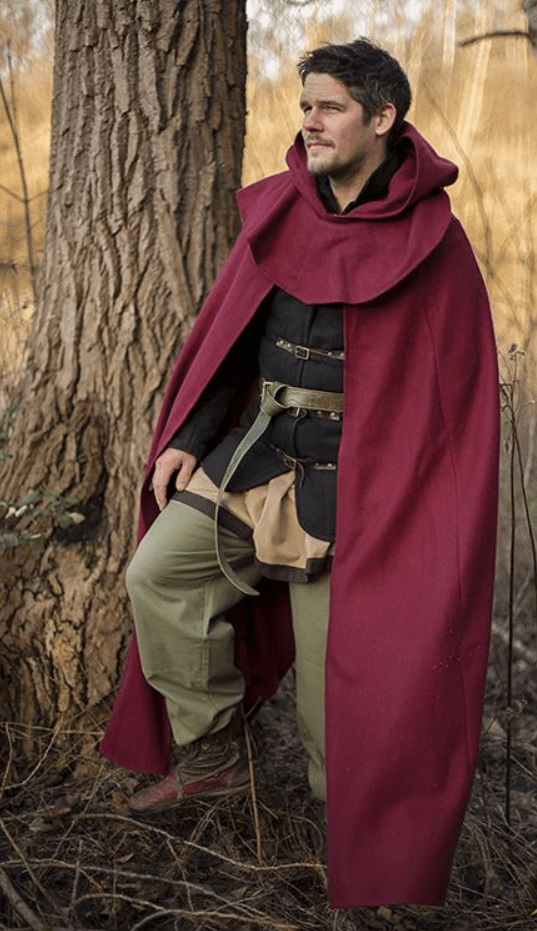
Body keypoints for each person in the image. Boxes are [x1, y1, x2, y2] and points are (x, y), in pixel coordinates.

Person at [101, 38, 499, 908]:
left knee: (339, 717)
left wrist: (411, 515)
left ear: (382, 118)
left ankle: (363, 878)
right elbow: (232, 334)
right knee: (157, 576)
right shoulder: (283, 206)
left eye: (328, 108)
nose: (308, 123)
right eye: (305, 105)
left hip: (357, 494)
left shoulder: (435, 242)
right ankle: (212, 753)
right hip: (252, 455)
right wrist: (189, 435)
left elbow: (447, 408)